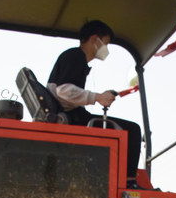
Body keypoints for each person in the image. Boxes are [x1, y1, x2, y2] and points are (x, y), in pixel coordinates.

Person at [47, 20, 145, 188]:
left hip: (74, 116)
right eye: (105, 43)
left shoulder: (75, 58)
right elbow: (63, 90)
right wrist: (97, 97)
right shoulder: (75, 56)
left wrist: (99, 96)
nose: (106, 48)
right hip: (72, 120)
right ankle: (129, 182)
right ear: (94, 39)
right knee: (133, 130)